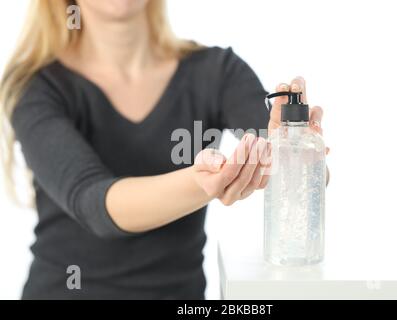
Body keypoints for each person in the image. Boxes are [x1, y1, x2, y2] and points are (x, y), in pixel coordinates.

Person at [0, 0, 326, 299]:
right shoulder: (38, 87)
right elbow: (93, 204)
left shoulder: (215, 71)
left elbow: (307, 175)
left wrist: (298, 148)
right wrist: (201, 183)